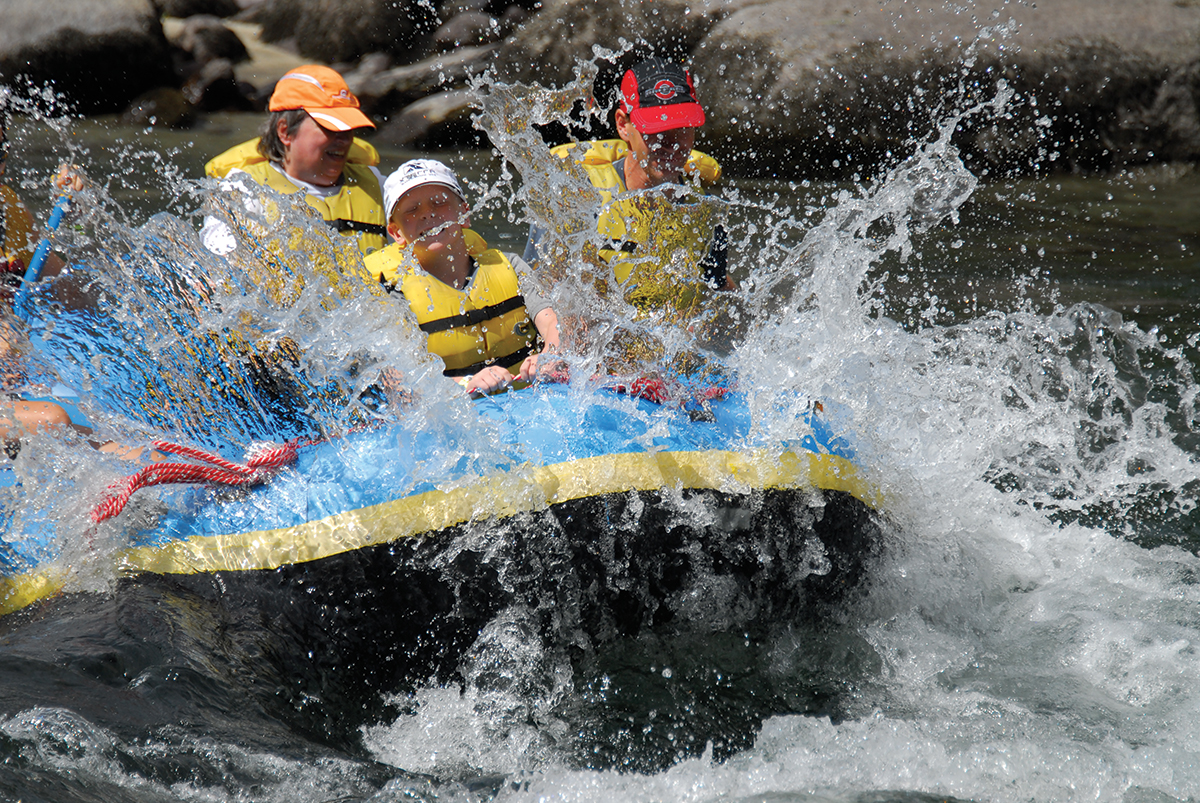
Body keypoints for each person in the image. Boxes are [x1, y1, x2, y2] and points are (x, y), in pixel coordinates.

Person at [524, 56, 735, 317]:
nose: (671, 144)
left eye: (681, 128)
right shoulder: (577, 197)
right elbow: (539, 289)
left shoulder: (703, 214)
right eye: (656, 129)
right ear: (623, 125)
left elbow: (718, 295)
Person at [364, 159, 561, 396]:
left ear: (464, 214)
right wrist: (466, 384)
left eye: (439, 202)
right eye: (412, 209)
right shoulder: (391, 293)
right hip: (456, 415)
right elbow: (398, 378)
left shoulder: (510, 265)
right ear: (396, 233)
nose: (428, 214)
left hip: (530, 397)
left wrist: (551, 355)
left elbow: (553, 322)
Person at [200, 65, 386, 258]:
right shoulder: (243, 188)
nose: (344, 139)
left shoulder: (378, 186)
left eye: (348, 128)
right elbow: (219, 273)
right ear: (285, 131)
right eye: (330, 127)